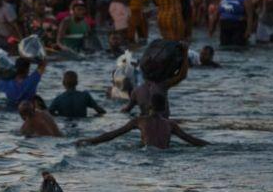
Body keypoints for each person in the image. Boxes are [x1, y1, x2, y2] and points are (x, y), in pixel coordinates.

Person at [80, 94, 208, 149]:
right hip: (165, 154)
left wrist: (89, 141)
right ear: (164, 108)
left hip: (146, 153)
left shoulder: (140, 121)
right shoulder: (171, 124)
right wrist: (212, 146)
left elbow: (112, 135)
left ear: (148, 107)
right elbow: (192, 140)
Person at [121, 46, 189, 118]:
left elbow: (126, 110)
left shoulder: (136, 91)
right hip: (163, 121)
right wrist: (185, 54)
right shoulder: (162, 85)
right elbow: (182, 75)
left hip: (145, 124)